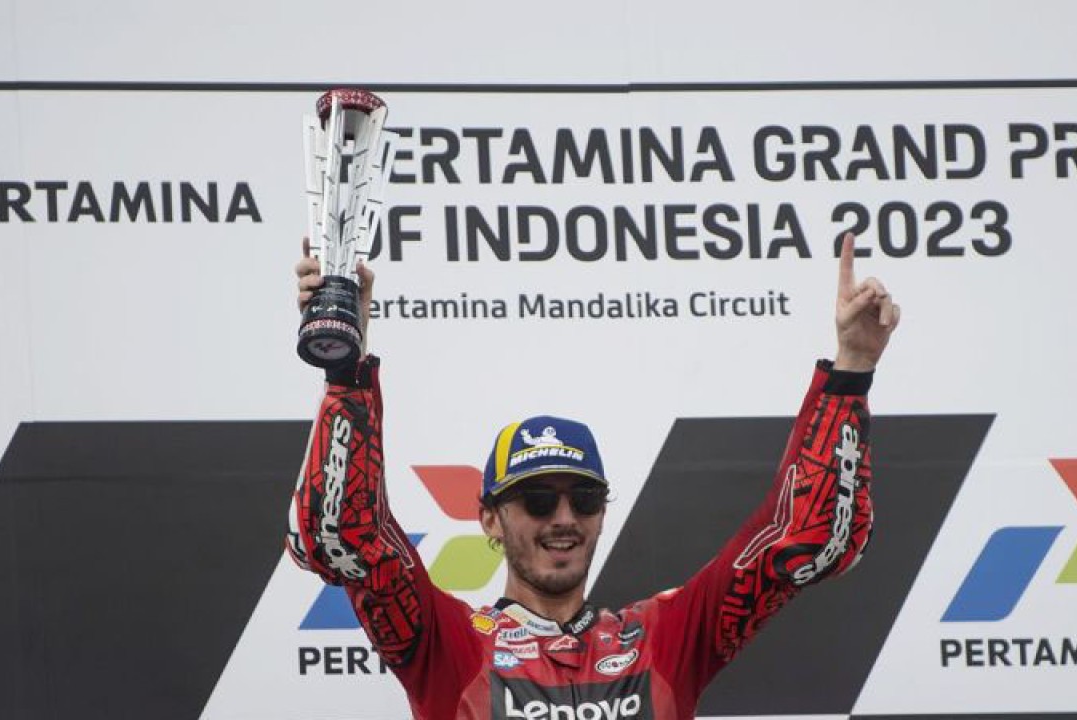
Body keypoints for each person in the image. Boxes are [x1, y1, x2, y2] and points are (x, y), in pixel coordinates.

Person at [286, 233, 899, 720]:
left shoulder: (663, 638)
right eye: (535, 500)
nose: (562, 518)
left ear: (603, 512)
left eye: (583, 498)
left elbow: (804, 537)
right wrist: (348, 367)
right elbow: (344, 533)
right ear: (490, 519)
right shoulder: (450, 646)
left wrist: (852, 368)